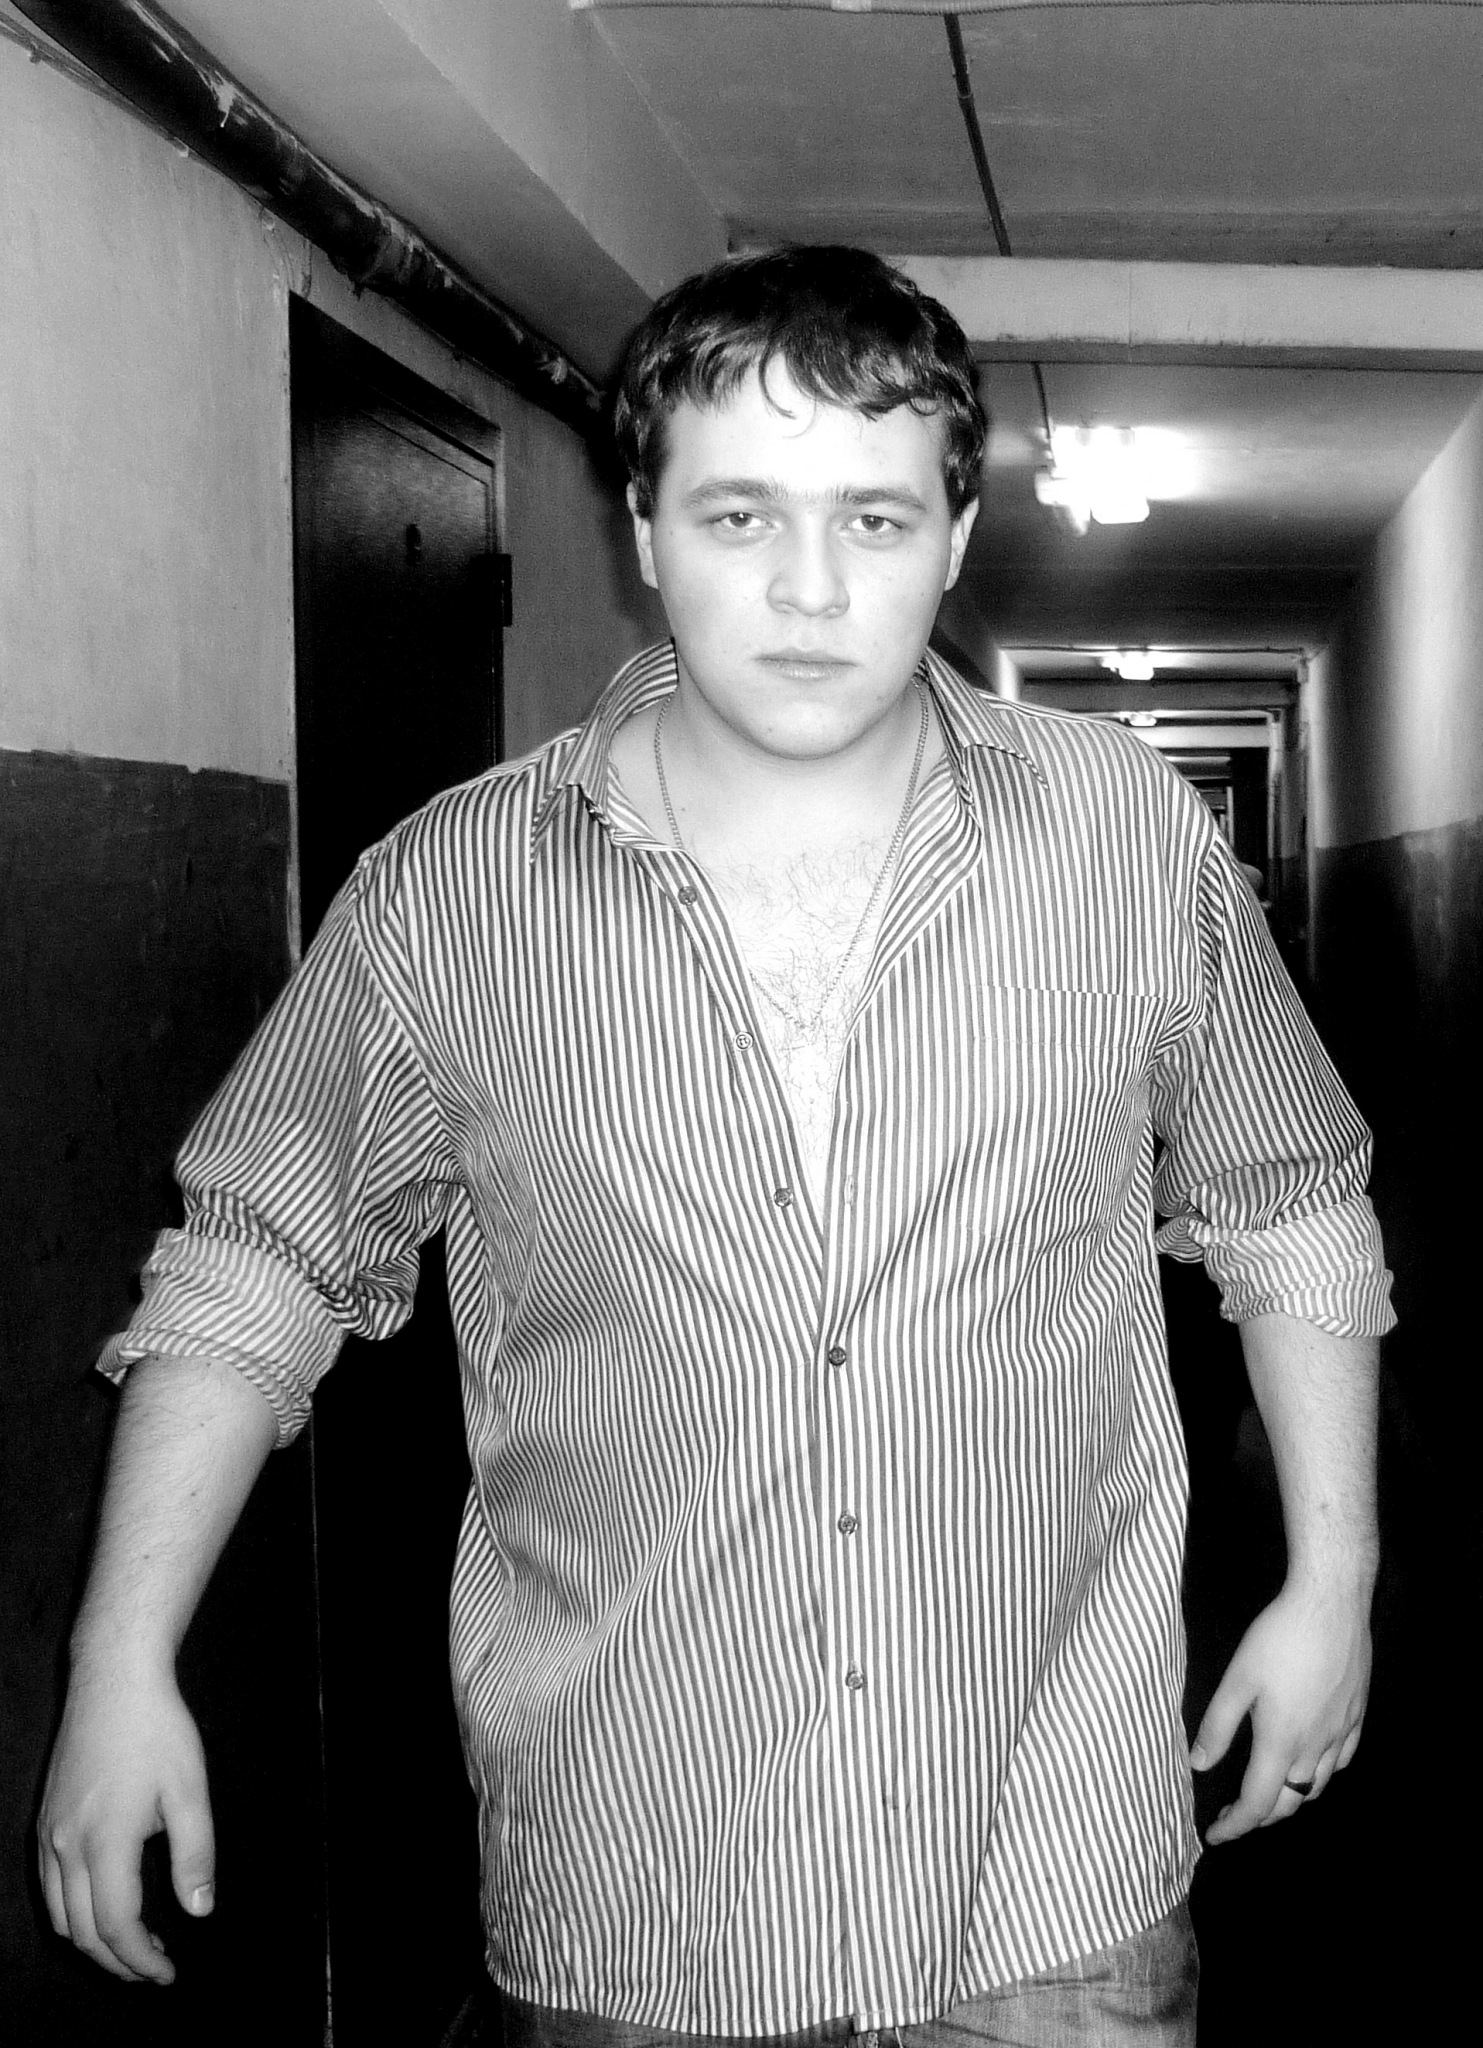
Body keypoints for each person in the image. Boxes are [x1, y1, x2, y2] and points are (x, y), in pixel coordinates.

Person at [39, 247, 1392, 2046]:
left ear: (956, 539)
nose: (810, 589)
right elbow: (254, 1265)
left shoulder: (1127, 845)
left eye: (875, 520)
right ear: (645, 529)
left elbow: (1290, 1202)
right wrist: (121, 1659)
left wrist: (1334, 1582)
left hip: (1055, 1879)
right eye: (742, 513)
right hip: (646, 1894)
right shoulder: (450, 899)